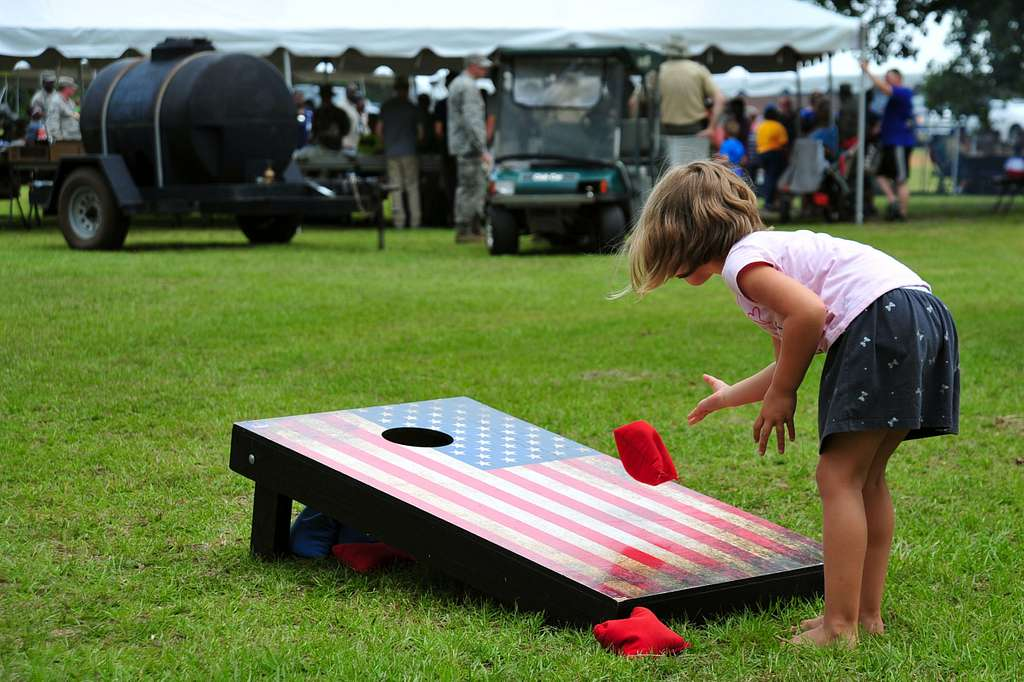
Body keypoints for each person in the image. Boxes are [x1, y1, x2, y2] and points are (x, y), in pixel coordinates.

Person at [618, 160, 959, 647]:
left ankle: (839, 628)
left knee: (837, 476)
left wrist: (784, 394)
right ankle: (864, 615)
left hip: (881, 318)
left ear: (684, 237)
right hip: (920, 314)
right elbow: (790, 350)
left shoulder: (744, 264)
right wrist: (729, 397)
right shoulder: (764, 259)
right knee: (866, 478)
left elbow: (809, 314)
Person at [654, 43, 725, 168]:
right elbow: (720, 99)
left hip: (668, 133)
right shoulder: (698, 70)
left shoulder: (658, 71)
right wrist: (711, 128)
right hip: (697, 132)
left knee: (671, 180)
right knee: (699, 177)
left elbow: (634, 102)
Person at [447, 54, 492, 243]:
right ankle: (466, 229)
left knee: (467, 187)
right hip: (469, 146)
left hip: (462, 144)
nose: (485, 70)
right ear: (472, 66)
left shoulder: (458, 83)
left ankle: (469, 227)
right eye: (482, 67)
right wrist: (482, 148)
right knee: (473, 188)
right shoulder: (468, 87)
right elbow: (472, 120)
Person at [861, 63, 915, 221]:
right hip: (889, 142)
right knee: (880, 174)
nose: (886, 81)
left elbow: (884, 88)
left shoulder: (903, 92)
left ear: (898, 79)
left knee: (900, 179)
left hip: (899, 142)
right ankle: (893, 202)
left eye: (889, 78)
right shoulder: (893, 98)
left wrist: (867, 71)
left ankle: (902, 213)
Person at [376, 76, 423, 229]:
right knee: (412, 187)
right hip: (409, 151)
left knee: (395, 187)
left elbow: (378, 130)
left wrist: (385, 144)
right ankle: (415, 220)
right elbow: (421, 133)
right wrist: (416, 143)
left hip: (391, 152)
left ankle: (399, 221)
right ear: (407, 89)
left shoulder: (386, 106)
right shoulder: (412, 107)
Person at [755, 105, 789, 208]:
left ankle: (767, 200)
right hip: (774, 154)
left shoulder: (761, 126)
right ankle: (770, 202)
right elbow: (784, 142)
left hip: (761, 154)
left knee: (767, 177)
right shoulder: (778, 126)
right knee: (773, 178)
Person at [45, 76, 81, 142]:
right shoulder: (55, 101)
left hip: (74, 138)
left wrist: (78, 107)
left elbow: (75, 116)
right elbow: (53, 123)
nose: (74, 90)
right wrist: (59, 139)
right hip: (63, 141)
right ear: (66, 88)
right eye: (72, 88)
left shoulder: (71, 102)